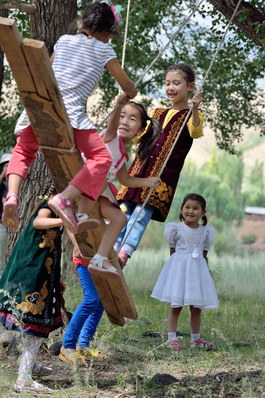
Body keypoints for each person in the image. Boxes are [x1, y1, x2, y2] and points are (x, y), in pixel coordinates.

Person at [2, 2, 137, 235]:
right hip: (71, 114)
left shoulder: (64, 40)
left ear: (82, 24)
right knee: (101, 158)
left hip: (42, 106)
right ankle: (64, 199)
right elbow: (127, 86)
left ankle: (12, 195)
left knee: (23, 150)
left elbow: (49, 70)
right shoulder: (105, 50)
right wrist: (128, 95)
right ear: (107, 32)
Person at [115, 63, 203, 267]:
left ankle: (125, 253)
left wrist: (196, 109)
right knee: (123, 210)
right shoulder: (156, 113)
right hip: (139, 171)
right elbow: (139, 137)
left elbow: (196, 132)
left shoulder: (191, 116)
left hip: (161, 178)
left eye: (176, 83)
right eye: (167, 83)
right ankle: (113, 246)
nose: (171, 88)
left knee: (140, 214)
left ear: (190, 86)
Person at [88, 94, 161, 274]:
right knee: (108, 214)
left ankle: (100, 258)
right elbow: (112, 127)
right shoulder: (110, 137)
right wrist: (118, 106)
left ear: (140, 130)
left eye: (132, 119)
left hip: (96, 190)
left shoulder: (121, 155)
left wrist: (148, 182)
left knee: (120, 218)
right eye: (122, 116)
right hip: (86, 183)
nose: (124, 121)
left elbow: (125, 180)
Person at [0, 188, 64, 393]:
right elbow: (39, 221)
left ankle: (29, 365)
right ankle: (24, 378)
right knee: (34, 327)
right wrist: (67, 220)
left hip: (40, 277)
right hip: (30, 278)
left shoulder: (56, 211)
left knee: (33, 326)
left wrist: (57, 277)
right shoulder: (50, 208)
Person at [151, 193, 219, 350]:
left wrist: (200, 270)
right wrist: (176, 271)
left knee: (196, 307)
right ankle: (171, 339)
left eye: (195, 208)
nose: (191, 211)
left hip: (197, 272)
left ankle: (196, 339)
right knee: (176, 305)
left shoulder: (206, 232)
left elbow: (203, 254)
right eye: (187, 207)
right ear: (181, 209)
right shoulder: (176, 229)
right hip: (180, 271)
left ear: (203, 212)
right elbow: (173, 252)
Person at [59, 235, 106, 364]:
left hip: (102, 258)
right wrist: (77, 243)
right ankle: (68, 345)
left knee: (100, 302)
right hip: (84, 257)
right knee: (91, 299)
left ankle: (83, 345)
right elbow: (70, 222)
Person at [0, 153, 11, 273]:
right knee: (1, 255)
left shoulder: (19, 183)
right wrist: (3, 173)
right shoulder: (2, 184)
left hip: (17, 223)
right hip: (2, 224)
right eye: (6, 165)